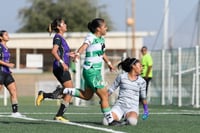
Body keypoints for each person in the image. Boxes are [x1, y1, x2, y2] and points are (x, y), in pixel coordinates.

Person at [63, 18, 120, 126]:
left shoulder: (101, 39)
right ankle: (110, 120)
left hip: (95, 72)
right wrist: (78, 54)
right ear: (98, 29)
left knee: (87, 96)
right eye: (104, 26)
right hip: (91, 71)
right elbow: (84, 46)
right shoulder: (91, 37)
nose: (106, 28)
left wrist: (109, 64)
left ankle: (64, 90)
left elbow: (102, 53)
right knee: (104, 96)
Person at [36, 17, 74, 122]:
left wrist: (70, 55)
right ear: (58, 27)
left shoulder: (62, 38)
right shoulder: (57, 37)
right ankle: (59, 115)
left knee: (67, 92)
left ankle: (45, 95)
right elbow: (54, 51)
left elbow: (62, 53)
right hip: (59, 67)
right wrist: (62, 63)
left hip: (61, 66)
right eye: (64, 23)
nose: (66, 25)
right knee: (70, 91)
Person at [102, 57, 149, 126]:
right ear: (133, 66)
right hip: (119, 106)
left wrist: (146, 110)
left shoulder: (142, 82)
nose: (142, 68)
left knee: (132, 122)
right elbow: (111, 89)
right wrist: (104, 98)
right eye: (140, 66)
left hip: (132, 107)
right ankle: (119, 120)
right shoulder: (121, 77)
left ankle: (124, 121)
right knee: (105, 121)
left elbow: (143, 97)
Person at [0, 30, 25, 117]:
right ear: (1, 37)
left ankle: (15, 112)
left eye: (8, 34)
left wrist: (8, 68)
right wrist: (8, 64)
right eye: (6, 35)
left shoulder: (6, 47)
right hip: (0, 72)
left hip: (7, 73)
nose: (8, 35)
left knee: (13, 91)